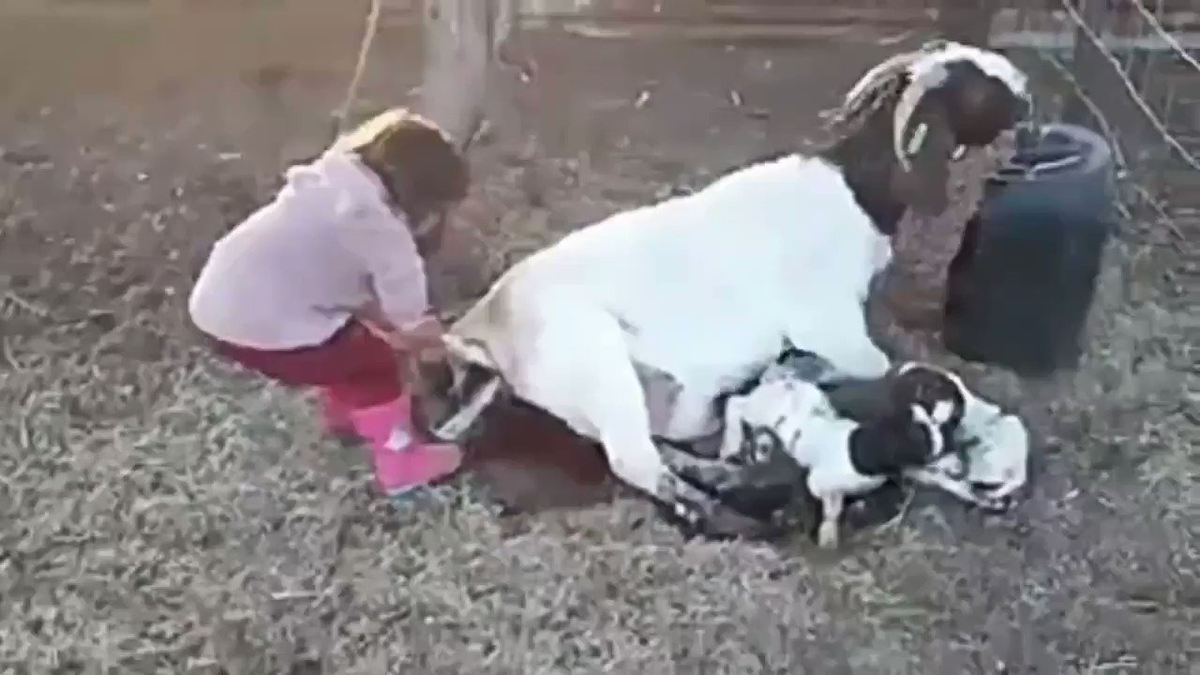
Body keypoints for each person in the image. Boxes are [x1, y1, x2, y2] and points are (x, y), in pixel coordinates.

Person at [188, 107, 470, 502]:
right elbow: (409, 324)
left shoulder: (329, 177)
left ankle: (348, 418)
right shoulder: (387, 236)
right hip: (258, 325)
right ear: (427, 200)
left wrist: (387, 323)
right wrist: (442, 347)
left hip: (213, 304)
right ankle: (402, 464)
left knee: (344, 343)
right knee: (375, 363)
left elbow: (347, 290)